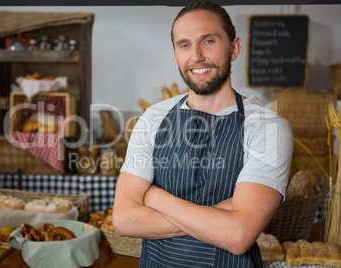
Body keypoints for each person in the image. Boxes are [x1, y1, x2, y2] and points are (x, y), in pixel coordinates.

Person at [112, 1, 293, 267]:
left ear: (234, 48)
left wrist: (153, 196)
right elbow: (124, 219)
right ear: (176, 55)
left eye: (208, 41)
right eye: (184, 44)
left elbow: (238, 235)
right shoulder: (154, 117)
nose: (196, 56)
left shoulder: (268, 127)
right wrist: (219, 215)